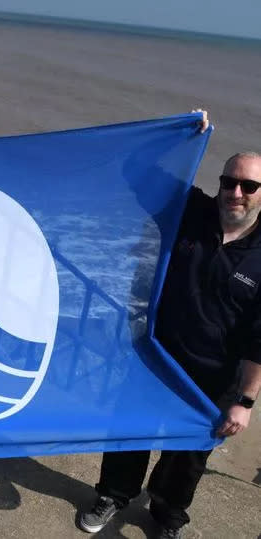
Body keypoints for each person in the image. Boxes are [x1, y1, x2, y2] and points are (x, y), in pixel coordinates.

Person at [78, 117, 261, 538]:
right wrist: (183, 133)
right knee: (129, 429)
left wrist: (245, 402)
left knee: (189, 453)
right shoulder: (189, 210)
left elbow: (259, 338)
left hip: (213, 372)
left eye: (248, 186)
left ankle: (166, 513)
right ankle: (113, 494)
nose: (236, 192)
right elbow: (137, 168)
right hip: (153, 352)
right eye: (228, 181)